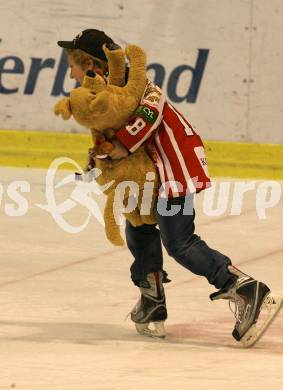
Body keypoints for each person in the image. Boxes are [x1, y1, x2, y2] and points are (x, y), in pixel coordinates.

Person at [57, 29, 278, 345]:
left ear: (93, 64)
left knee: (180, 242)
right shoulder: (105, 95)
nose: (70, 72)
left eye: (73, 65)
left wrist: (122, 144)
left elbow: (152, 107)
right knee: (139, 226)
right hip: (152, 175)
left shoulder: (137, 85)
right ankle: (153, 301)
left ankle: (245, 288)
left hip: (176, 168)